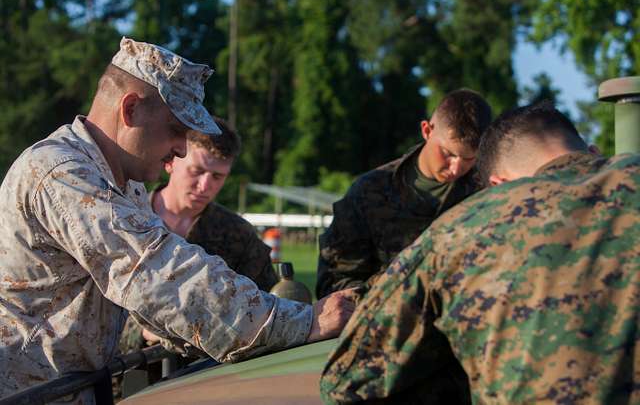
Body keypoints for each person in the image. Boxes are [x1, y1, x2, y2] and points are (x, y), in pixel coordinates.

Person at [0, 37, 354, 403]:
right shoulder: (62, 174)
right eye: (176, 130)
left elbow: (156, 298)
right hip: (30, 392)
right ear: (131, 109)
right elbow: (160, 274)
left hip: (69, 389)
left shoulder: (124, 184)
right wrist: (300, 323)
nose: (182, 149)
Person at [320, 102, 640, 404]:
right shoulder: (374, 191)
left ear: (498, 185)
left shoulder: (463, 227)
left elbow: (346, 380)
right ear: (594, 153)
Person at [316, 88, 492, 299]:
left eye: (469, 159)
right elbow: (333, 283)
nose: (456, 168)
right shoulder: (370, 192)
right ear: (427, 130)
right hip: (385, 323)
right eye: (448, 153)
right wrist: (399, 293)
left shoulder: (487, 193)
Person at [119, 121, 277, 355]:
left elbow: (265, 311)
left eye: (217, 176)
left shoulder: (238, 236)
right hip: (127, 375)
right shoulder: (126, 221)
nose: (205, 186)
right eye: (197, 171)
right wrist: (141, 331)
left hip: (205, 375)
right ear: (171, 161)